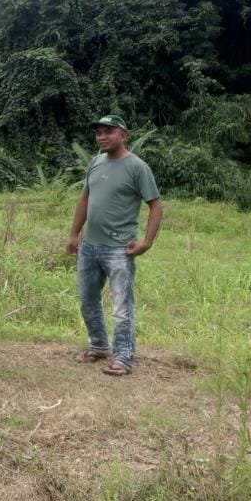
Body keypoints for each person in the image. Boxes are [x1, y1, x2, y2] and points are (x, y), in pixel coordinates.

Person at [66, 114, 163, 377]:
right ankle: (99, 346)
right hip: (89, 246)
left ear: (123, 135)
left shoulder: (137, 167)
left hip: (119, 248)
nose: (102, 137)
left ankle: (123, 357)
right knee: (88, 300)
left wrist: (147, 242)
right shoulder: (96, 162)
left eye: (108, 132)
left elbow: (155, 204)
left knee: (122, 307)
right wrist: (75, 234)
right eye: (98, 133)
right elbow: (85, 198)